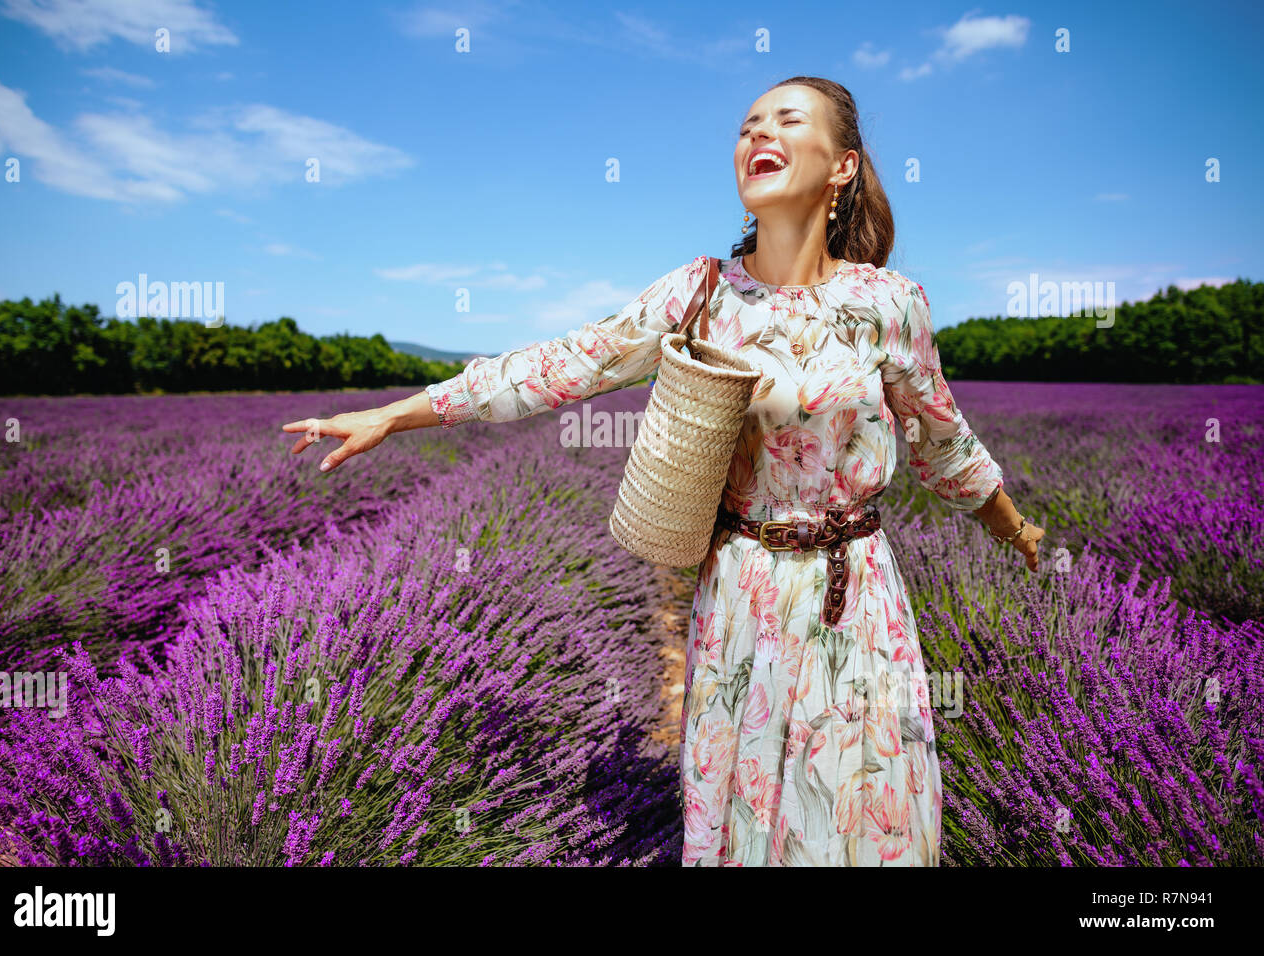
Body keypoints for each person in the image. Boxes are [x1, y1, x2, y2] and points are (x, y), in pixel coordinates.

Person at [283, 75, 1045, 866]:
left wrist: (1018, 529)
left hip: (854, 597)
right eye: (748, 125)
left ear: (843, 166)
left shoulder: (890, 303)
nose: (758, 135)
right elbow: (561, 366)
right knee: (748, 825)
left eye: (786, 120)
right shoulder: (702, 293)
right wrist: (397, 413)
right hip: (744, 590)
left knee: (856, 819)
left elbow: (942, 440)